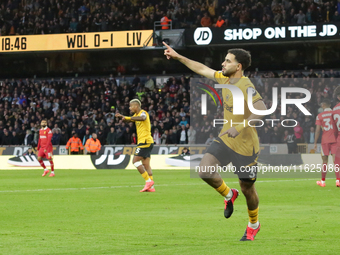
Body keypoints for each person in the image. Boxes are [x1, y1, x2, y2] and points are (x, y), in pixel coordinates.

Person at [163, 42, 267, 241]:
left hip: (246, 147)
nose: (223, 63)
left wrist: (238, 127)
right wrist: (178, 57)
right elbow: (201, 68)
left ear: (238, 66)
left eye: (228, 61)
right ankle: (229, 195)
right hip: (226, 139)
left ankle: (254, 224)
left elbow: (261, 109)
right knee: (204, 170)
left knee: (248, 189)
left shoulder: (246, 85)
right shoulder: (224, 78)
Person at [116, 99, 155, 192]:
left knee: (135, 161)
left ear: (136, 106)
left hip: (144, 141)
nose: (129, 108)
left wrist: (127, 117)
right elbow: (129, 120)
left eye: (130, 106)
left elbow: (143, 118)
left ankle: (148, 181)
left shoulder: (143, 113)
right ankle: (151, 188)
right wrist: (122, 118)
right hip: (147, 141)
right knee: (146, 165)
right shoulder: (136, 115)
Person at [314, 99, 337, 187]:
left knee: (324, 161)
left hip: (325, 141)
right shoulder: (335, 114)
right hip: (335, 140)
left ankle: (323, 182)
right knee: (336, 162)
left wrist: (315, 142)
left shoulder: (320, 115)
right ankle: (338, 180)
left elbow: (317, 130)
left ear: (324, 105)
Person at [331, 88, 340, 187]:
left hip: (339, 138)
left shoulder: (334, 109)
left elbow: (334, 129)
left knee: (337, 160)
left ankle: (338, 180)